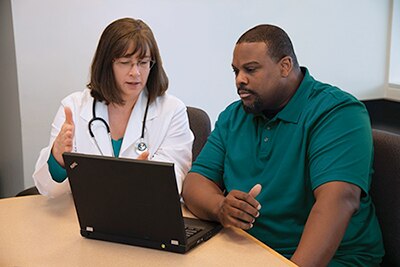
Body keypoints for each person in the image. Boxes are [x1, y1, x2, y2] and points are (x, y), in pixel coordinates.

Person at [182, 24, 384, 266]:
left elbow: (338, 202)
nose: (239, 80)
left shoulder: (337, 112)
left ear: (285, 66)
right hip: (251, 250)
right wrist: (221, 207)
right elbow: (195, 183)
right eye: (235, 71)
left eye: (250, 69)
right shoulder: (234, 116)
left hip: (333, 259)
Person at [33, 18, 193, 198]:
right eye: (125, 62)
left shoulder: (171, 111)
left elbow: (176, 176)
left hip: (144, 214)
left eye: (143, 62)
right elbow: (48, 188)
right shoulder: (74, 107)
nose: (135, 72)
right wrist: (58, 157)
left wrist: (149, 175)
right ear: (107, 64)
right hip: (84, 214)